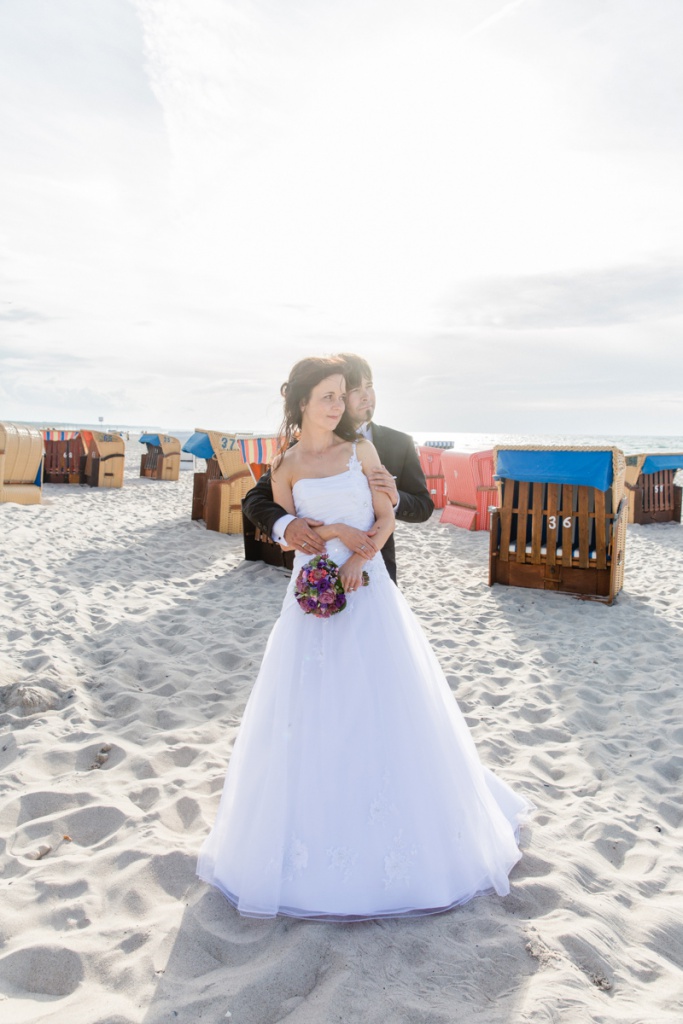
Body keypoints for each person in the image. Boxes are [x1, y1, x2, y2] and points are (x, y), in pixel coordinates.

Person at [197, 356, 532, 921]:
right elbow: (268, 509)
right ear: (303, 400)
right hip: (311, 592)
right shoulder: (286, 462)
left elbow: (401, 511)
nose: (344, 402)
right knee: (308, 707)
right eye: (331, 394)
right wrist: (313, 530)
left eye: (347, 392)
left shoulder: (376, 448)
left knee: (384, 703)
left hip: (370, 584)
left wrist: (364, 548)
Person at [242, 353, 434, 583]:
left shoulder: (397, 443)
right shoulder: (293, 456)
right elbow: (255, 498)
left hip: (373, 570)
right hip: (317, 578)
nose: (365, 396)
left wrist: (395, 499)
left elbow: (423, 505)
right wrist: (287, 525)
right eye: (354, 390)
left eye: (369, 386)